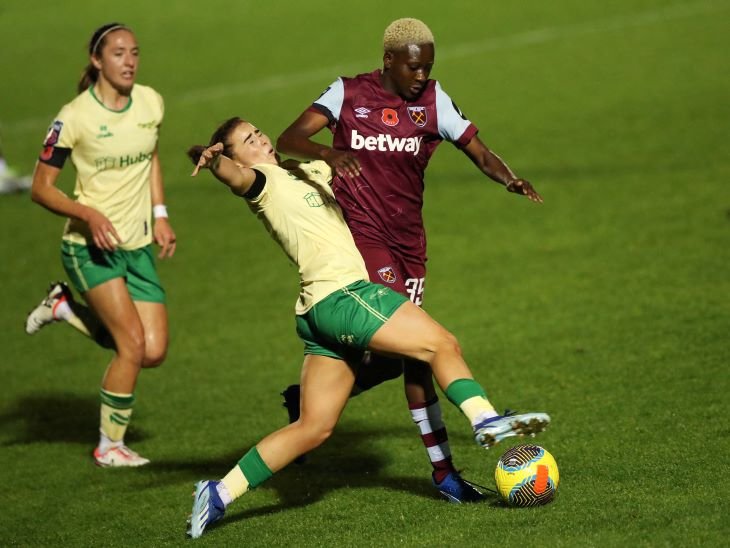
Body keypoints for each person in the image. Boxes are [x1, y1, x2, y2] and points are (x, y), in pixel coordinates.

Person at [184, 117, 550, 538]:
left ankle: (218, 492)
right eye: (247, 140)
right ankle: (484, 419)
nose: (260, 139)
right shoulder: (262, 182)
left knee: (313, 427)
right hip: (344, 296)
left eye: (258, 131)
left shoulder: (305, 171)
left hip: (316, 311)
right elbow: (235, 176)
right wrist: (211, 160)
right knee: (440, 345)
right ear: (237, 156)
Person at [276, 17, 543, 502]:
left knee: (394, 360)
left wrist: (509, 178)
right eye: (414, 68)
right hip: (363, 242)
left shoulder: (434, 102)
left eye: (428, 68)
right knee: (422, 347)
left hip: (409, 245)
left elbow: (478, 151)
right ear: (390, 61)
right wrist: (327, 154)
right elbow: (288, 140)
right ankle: (444, 472)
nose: (422, 77)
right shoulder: (346, 94)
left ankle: (304, 406)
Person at [25, 23, 176, 467]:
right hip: (89, 248)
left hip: (139, 246)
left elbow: (149, 155)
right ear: (97, 60)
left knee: (153, 351)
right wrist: (88, 214)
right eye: (118, 54)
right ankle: (110, 446)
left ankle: (64, 307)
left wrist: (160, 214)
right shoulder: (74, 117)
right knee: (130, 344)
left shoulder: (150, 101)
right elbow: (41, 188)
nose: (129, 61)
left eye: (135, 52)